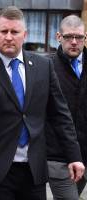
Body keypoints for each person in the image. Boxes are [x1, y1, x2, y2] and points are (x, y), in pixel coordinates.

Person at [0, 6, 85, 200]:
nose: (8, 37)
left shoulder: (43, 66)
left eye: (14, 32)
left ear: (25, 34)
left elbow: (60, 115)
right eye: (4, 31)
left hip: (33, 171)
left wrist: (74, 156)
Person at [46, 15, 87, 200]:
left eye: (79, 37)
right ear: (58, 37)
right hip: (58, 155)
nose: (74, 42)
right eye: (69, 36)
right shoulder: (46, 66)